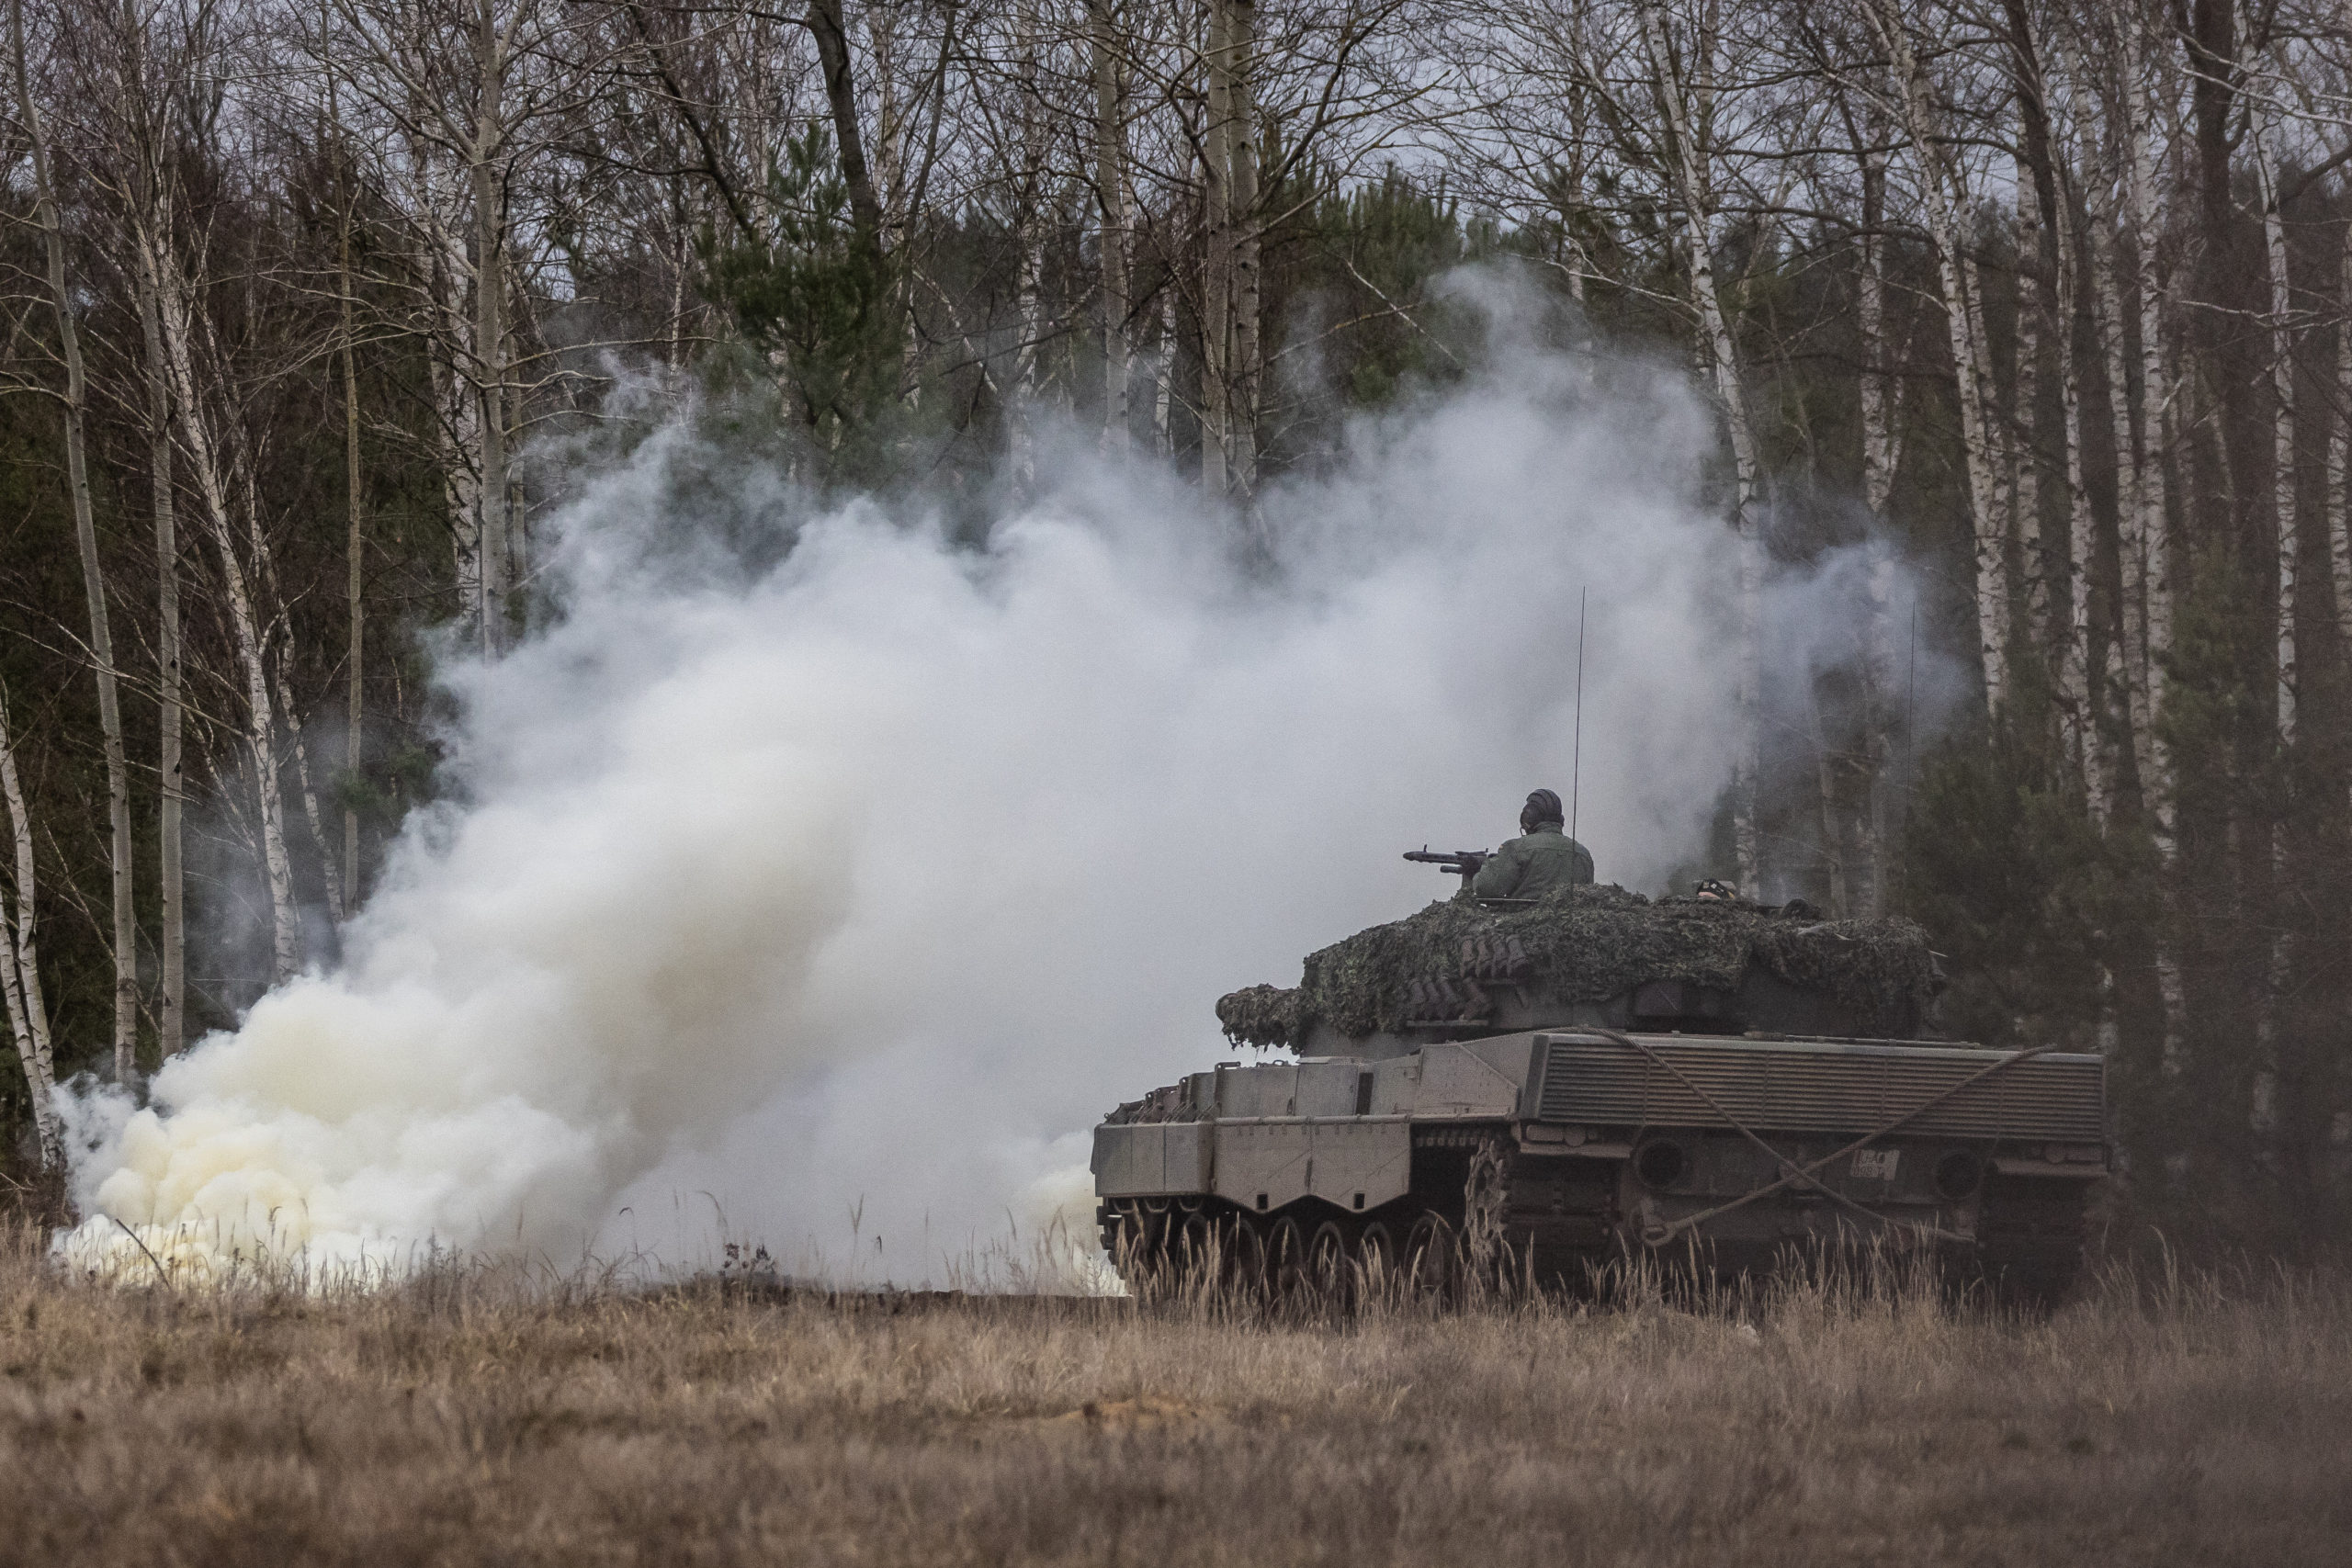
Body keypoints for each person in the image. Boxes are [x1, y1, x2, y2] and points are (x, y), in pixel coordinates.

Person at [1471, 789, 1594, 898]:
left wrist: (1475, 873)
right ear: (1560, 820)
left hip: (1521, 923)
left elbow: (1486, 888)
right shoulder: (1583, 854)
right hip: (1570, 923)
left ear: (1528, 817)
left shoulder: (1516, 848)